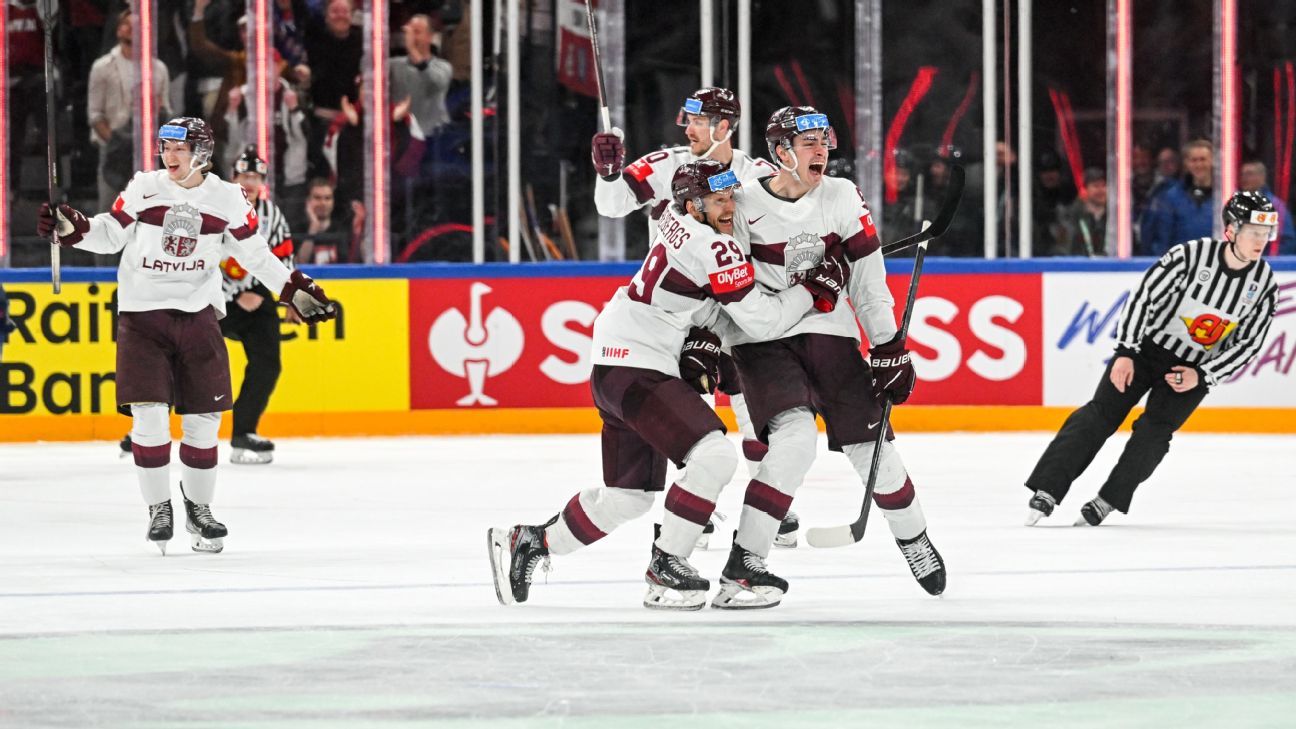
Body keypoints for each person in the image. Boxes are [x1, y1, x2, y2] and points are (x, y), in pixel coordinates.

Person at [488, 160, 847, 610]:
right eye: (719, 200)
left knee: (627, 497)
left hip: (618, 362)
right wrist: (813, 288)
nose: (730, 207)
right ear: (693, 205)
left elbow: (706, 299)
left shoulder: (675, 219)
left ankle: (532, 541)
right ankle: (666, 564)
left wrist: (708, 331)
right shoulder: (713, 248)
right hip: (639, 365)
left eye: (731, 197)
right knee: (713, 455)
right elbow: (763, 320)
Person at [36, 117, 336, 555]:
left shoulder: (229, 198)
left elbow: (256, 256)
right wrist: (73, 228)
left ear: (201, 153)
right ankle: (160, 507)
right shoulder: (144, 187)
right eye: (164, 147)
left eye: (178, 149)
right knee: (150, 417)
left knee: (203, 422)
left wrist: (292, 289)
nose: (168, 156)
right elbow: (109, 233)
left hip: (198, 317)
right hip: (143, 319)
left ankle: (199, 509)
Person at [718, 106, 947, 608]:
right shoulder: (740, 205)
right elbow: (731, 293)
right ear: (780, 153)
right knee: (793, 443)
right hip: (763, 341)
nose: (822, 150)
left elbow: (868, 280)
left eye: (825, 140)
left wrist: (888, 347)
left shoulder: (841, 196)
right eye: (808, 143)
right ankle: (744, 564)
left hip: (829, 334)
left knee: (876, 453)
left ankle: (914, 539)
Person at [589, 88, 799, 546]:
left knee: (750, 403)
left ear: (725, 127)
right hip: (684, 310)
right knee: (692, 405)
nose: (687, 129)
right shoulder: (668, 164)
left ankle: (769, 502)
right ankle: (689, 510)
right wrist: (608, 174)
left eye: (697, 121)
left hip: (739, 302)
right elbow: (611, 205)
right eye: (687, 120)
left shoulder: (759, 174)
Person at [1024, 191, 1279, 527]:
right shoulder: (1190, 256)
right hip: (1147, 352)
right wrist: (1126, 351)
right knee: (1100, 414)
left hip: (1192, 370)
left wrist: (1202, 375)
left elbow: (1248, 344)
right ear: (1231, 230)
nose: (1261, 241)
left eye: (1266, 233)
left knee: (1155, 434)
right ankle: (1048, 490)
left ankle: (1108, 500)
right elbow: (1143, 299)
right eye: (1253, 232)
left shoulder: (1263, 285)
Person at [220, 146, 300, 464]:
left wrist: (291, 296)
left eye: (256, 177)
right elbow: (205, 259)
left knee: (268, 364)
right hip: (217, 299)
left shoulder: (272, 214)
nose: (250, 183)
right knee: (185, 358)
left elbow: (285, 257)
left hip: (259, 298)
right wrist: (234, 295)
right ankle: (144, 427)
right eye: (244, 176)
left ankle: (244, 433)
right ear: (233, 178)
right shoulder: (216, 212)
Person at [88, 10, 172, 211]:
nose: (132, 28)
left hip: (146, 151)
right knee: (110, 213)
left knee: (148, 216)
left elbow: (167, 110)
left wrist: (158, 110)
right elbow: (95, 114)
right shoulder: (103, 67)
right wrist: (115, 142)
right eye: (127, 24)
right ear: (118, 30)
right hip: (113, 150)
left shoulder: (158, 69)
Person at [1140, 139, 1215, 257]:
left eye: (1203, 159)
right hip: (1182, 265)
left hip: (1217, 265)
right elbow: (1162, 237)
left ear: (1212, 160)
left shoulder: (1227, 197)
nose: (1199, 165)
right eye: (1194, 160)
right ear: (1186, 163)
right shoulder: (1171, 197)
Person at [1238, 160, 1296, 255]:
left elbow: (1288, 241)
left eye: (1249, 174)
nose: (1244, 178)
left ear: (1262, 178)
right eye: (1242, 174)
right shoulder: (1235, 204)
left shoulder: (1275, 206)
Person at [1053, 167, 1108, 257]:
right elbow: (1063, 250)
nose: (1101, 190)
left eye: (1104, 185)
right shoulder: (1070, 218)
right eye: (1096, 186)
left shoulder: (1115, 218)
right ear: (1084, 190)